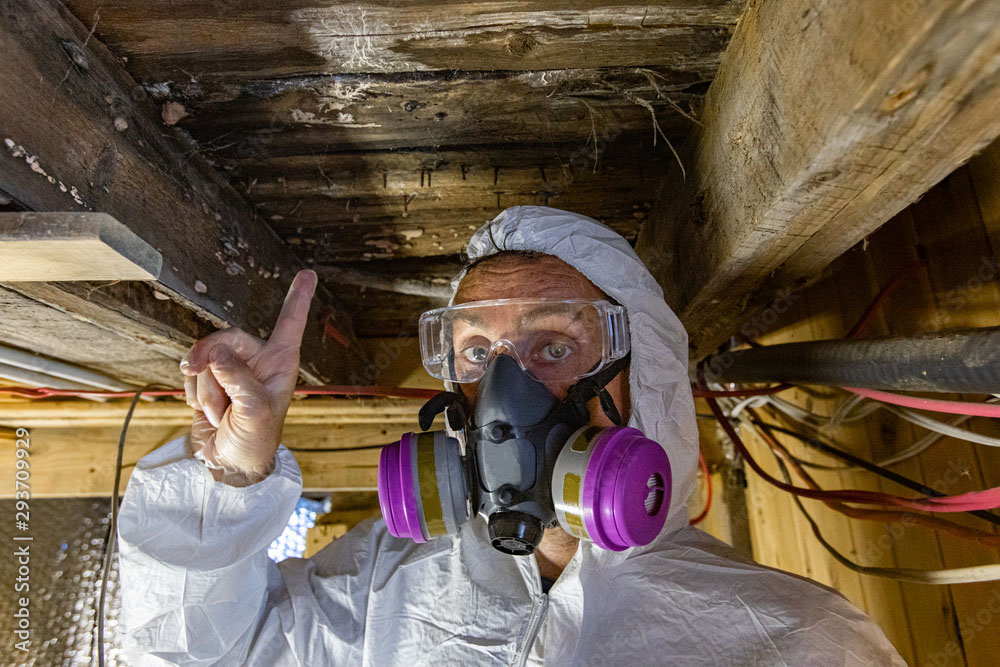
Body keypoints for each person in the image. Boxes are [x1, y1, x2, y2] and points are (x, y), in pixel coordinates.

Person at [117, 206, 905, 665]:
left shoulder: (798, 641)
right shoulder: (373, 588)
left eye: (554, 347)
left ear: (648, 378)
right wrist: (226, 476)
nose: (507, 390)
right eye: (475, 354)